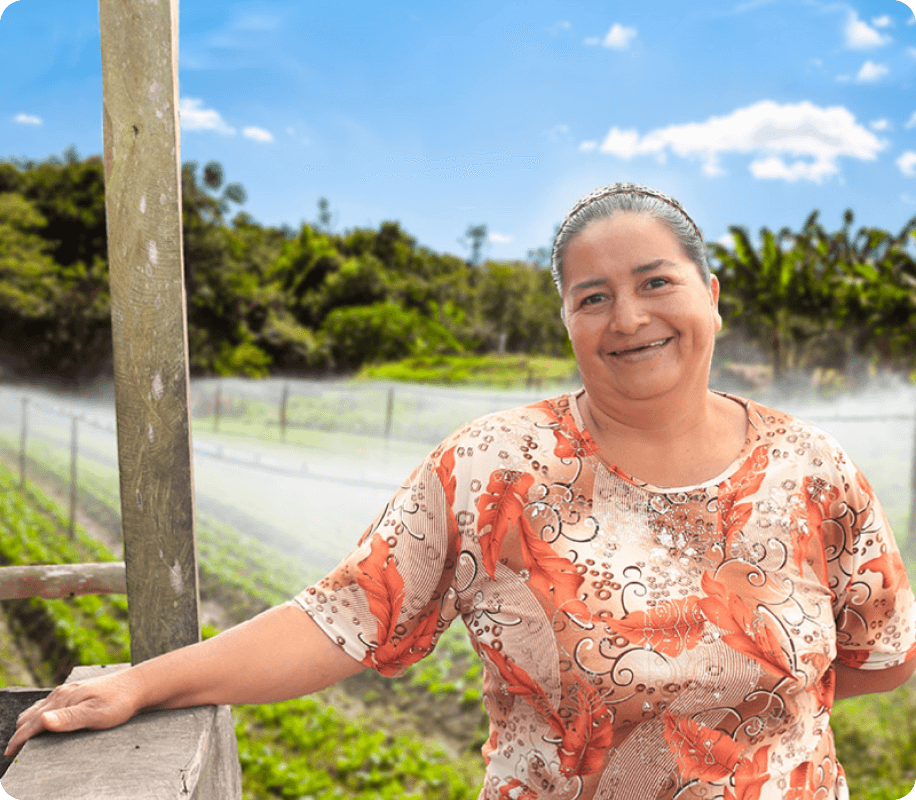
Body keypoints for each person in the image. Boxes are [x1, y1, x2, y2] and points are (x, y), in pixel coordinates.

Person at [6, 183, 916, 799]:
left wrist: (742, 699)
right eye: (592, 296)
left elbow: (886, 651)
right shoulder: (493, 469)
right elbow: (346, 617)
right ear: (565, 320)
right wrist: (142, 684)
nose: (629, 317)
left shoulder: (813, 469)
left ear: (711, 296)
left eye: (655, 283)